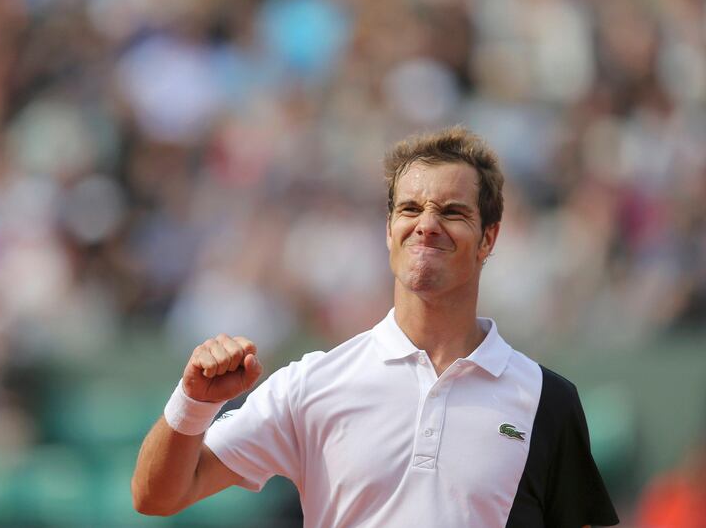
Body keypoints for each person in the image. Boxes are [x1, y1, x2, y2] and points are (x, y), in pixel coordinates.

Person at [131, 127, 620, 527]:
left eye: (452, 212)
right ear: (389, 231)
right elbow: (157, 496)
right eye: (410, 209)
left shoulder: (547, 400)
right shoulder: (311, 384)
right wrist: (194, 403)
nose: (427, 224)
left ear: (488, 238)